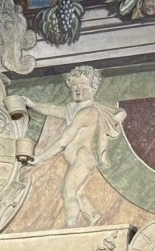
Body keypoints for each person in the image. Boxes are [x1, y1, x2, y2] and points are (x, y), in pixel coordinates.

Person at [24, 65, 126, 228]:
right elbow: (52, 109)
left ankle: (71, 228)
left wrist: (40, 159)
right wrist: (32, 104)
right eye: (74, 86)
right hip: (76, 159)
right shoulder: (72, 108)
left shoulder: (88, 112)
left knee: (68, 191)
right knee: (77, 192)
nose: (77, 89)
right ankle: (93, 215)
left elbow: (64, 140)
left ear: (92, 88)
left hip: (82, 157)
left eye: (82, 86)